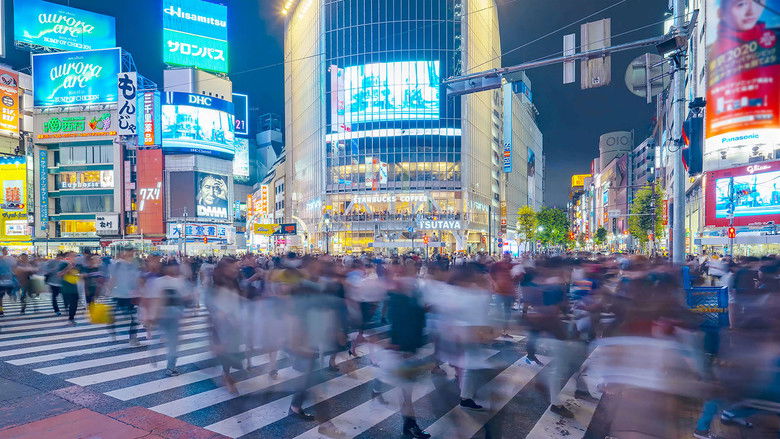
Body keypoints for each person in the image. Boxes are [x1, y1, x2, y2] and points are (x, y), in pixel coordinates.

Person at [206, 257, 245, 392]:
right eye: (233, 267)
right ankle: (227, 376)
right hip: (221, 323)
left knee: (233, 349)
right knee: (226, 351)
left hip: (235, 321)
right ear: (224, 269)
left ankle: (226, 374)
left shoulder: (234, 281)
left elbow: (238, 298)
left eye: (236, 267)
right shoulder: (216, 284)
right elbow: (209, 302)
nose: (236, 269)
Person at [146, 260, 191, 376]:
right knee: (173, 343)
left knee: (159, 335)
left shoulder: (157, 282)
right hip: (174, 313)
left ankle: (153, 352)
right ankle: (170, 368)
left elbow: (154, 299)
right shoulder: (179, 282)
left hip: (161, 312)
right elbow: (186, 298)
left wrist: (152, 314)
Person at [106, 248, 141, 345]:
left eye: (132, 254)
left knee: (134, 318)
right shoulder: (117, 265)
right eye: (129, 254)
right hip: (118, 295)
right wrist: (108, 289)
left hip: (130, 295)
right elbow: (113, 278)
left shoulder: (134, 266)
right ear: (124, 254)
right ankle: (112, 331)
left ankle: (133, 338)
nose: (131, 256)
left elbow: (136, 279)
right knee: (114, 316)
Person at [59, 252, 81, 325]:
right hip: (66, 288)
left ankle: (71, 318)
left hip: (75, 288)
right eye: (72, 256)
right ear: (67, 257)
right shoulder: (63, 264)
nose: (74, 257)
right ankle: (68, 312)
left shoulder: (78, 265)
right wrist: (69, 267)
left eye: (75, 256)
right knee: (68, 303)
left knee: (74, 304)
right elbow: (59, 274)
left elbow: (82, 274)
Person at [0, 247, 17, 316]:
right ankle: (1, 310)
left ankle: (1, 309)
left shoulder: (10, 259)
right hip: (3, 280)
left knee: (1, 296)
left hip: (7, 279)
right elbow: (14, 268)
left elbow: (14, 268)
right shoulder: (11, 259)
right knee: (1, 296)